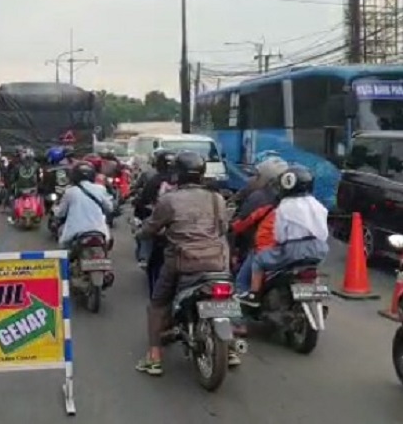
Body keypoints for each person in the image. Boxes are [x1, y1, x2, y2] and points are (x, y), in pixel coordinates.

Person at [136, 151, 232, 376]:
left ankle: (154, 357)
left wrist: (141, 234)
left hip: (182, 262)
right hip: (217, 262)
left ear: (177, 174)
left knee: (157, 304)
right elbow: (223, 228)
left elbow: (150, 229)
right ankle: (230, 348)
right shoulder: (216, 198)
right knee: (229, 297)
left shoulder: (169, 200)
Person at [236, 165, 330, 307]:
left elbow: (279, 235)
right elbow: (323, 232)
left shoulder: (284, 207)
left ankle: (254, 295)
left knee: (258, 261)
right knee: (312, 268)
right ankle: (315, 296)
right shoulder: (318, 205)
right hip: (319, 249)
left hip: (292, 251)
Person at [231, 157, 290, 296]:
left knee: (241, 283)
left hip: (260, 248)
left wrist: (233, 248)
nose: (254, 178)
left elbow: (242, 224)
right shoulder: (299, 201)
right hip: (290, 251)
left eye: (258, 175)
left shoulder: (260, 197)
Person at [133, 149, 177, 274]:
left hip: (160, 221)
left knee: (145, 232)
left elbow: (143, 200)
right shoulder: (183, 182)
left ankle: (144, 258)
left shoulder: (153, 180)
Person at [54, 161, 113, 247]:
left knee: (63, 246)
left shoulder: (70, 191)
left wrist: (55, 210)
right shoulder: (101, 189)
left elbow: (60, 213)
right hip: (100, 232)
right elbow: (109, 208)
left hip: (75, 232)